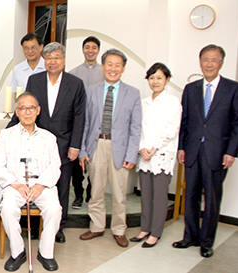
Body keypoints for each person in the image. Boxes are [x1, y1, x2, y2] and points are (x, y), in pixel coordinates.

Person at [8, 42, 85, 243]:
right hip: (36, 144)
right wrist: (8, 130)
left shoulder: (75, 83)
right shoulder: (35, 80)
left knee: (60, 187)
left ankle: (58, 228)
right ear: (45, 60)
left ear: (64, 60)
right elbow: (25, 107)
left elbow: (79, 117)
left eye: (57, 57)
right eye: (49, 58)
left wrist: (75, 145)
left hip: (64, 145)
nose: (53, 62)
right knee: (34, 184)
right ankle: (33, 227)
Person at [173, 44, 238, 258]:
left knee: (211, 199)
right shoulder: (191, 89)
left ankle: (206, 241)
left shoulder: (233, 88)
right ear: (200, 62)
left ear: (221, 63)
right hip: (192, 150)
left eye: (214, 60)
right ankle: (190, 236)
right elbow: (184, 122)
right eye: (205, 59)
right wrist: (181, 147)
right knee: (190, 196)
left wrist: (231, 151)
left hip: (218, 153)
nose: (209, 64)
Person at [78, 48, 142, 248]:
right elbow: (85, 123)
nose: (113, 69)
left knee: (119, 193)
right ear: (103, 66)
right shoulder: (91, 91)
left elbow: (135, 127)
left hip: (120, 148)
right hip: (96, 145)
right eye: (110, 64)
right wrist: (82, 150)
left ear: (123, 68)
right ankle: (96, 226)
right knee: (95, 190)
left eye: (118, 65)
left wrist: (132, 154)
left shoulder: (133, 93)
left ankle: (119, 230)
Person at [0, 92, 62, 272]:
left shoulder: (49, 137)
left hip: (42, 185)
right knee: (8, 208)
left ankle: (46, 252)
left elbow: (56, 166)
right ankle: (18, 251)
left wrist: (40, 185)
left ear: (38, 110)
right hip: (14, 185)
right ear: (16, 112)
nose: (27, 112)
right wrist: (16, 184)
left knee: (55, 209)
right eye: (23, 108)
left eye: (31, 108)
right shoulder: (6, 135)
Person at [129, 63, 181, 247]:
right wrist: (142, 148)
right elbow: (137, 127)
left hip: (161, 154)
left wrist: (154, 148)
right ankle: (145, 228)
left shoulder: (173, 101)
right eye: (152, 77)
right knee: (145, 194)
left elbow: (171, 129)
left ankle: (155, 233)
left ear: (167, 79)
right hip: (144, 155)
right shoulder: (143, 102)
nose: (155, 81)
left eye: (159, 77)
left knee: (159, 196)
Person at [68, 36, 105, 209]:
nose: (90, 50)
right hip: (79, 121)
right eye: (87, 47)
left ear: (98, 50)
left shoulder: (104, 72)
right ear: (83, 50)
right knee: (77, 164)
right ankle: (78, 195)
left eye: (94, 47)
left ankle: (91, 192)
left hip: (97, 124)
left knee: (94, 162)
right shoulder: (74, 73)